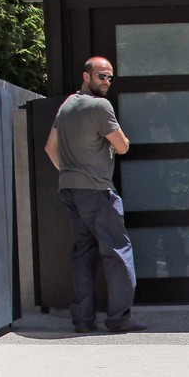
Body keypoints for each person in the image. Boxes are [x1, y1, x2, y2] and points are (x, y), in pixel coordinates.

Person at [44, 57, 147, 333]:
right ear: (86, 75)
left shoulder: (66, 105)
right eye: (102, 76)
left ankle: (83, 320)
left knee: (83, 253)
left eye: (110, 77)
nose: (106, 82)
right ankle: (120, 318)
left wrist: (70, 172)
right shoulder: (100, 106)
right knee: (117, 251)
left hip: (70, 189)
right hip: (98, 190)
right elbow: (122, 145)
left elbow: (50, 147)